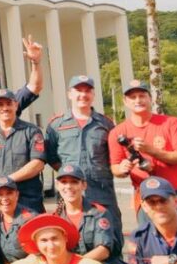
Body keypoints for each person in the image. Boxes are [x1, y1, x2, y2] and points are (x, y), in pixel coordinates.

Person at [108, 80, 177, 222]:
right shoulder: (117, 132)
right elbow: (115, 167)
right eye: (132, 97)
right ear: (125, 102)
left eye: (142, 95)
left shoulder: (171, 123)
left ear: (150, 98)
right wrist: (123, 168)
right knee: (151, 242)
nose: (138, 100)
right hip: (146, 197)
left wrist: (151, 150)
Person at [52, 164, 129, 264]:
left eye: (74, 182)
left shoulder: (99, 213)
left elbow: (103, 250)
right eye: (64, 182)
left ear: (83, 185)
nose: (69, 186)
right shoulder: (56, 218)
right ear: (57, 186)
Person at [45, 75, 121, 226]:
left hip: (101, 189)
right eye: (78, 90)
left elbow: (114, 155)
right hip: (70, 190)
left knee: (111, 231)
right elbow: (51, 156)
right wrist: (69, 173)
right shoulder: (56, 124)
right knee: (71, 233)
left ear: (93, 95)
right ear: (70, 94)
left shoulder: (105, 123)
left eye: (87, 91)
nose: (83, 95)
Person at [0, 88, 47, 214]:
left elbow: (38, 163)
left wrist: (8, 181)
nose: (5, 108)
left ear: (16, 105)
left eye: (8, 103)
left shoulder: (32, 131)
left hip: (26, 199)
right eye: (0, 104)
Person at [0, 175, 34, 264]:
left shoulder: (30, 220)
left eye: (9, 193)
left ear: (17, 194)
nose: (4, 198)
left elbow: (38, 256)